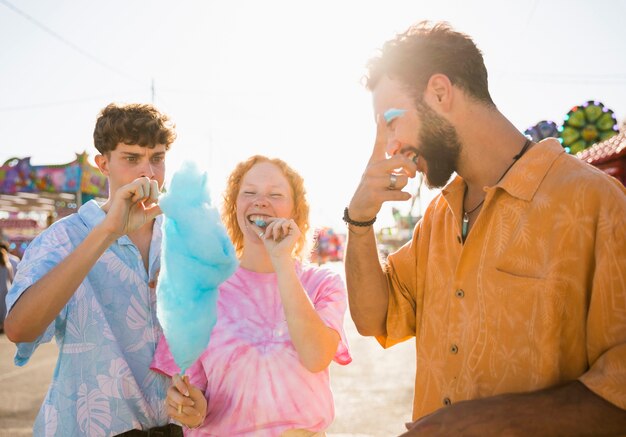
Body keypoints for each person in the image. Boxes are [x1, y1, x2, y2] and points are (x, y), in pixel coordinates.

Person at [344, 21, 626, 435]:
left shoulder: (596, 203)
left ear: (440, 93)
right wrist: (360, 221)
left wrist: (476, 423)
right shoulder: (437, 219)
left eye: (391, 121)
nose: (389, 146)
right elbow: (375, 319)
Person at [4, 103, 184, 436]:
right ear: (104, 164)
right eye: (131, 159)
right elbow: (19, 329)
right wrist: (105, 233)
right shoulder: (63, 237)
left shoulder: (182, 236)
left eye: (157, 158)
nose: (148, 172)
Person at [150, 155, 351, 436]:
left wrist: (281, 261)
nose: (260, 201)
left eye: (275, 194)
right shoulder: (201, 291)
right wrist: (190, 410)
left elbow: (316, 357)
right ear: (234, 208)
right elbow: (193, 403)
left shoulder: (322, 284)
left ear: (296, 211)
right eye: (249, 193)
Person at [0, 241, 15, 333]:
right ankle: (4, 325)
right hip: (6, 288)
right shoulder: (8, 265)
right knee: (5, 308)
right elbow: (12, 278)